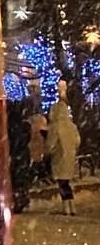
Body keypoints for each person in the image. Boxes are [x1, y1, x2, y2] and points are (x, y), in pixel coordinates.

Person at [48, 79, 82, 216]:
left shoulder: (56, 127)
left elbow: (51, 144)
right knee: (66, 181)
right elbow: (77, 140)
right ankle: (71, 205)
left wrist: (49, 151)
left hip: (59, 156)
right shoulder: (72, 126)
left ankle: (66, 207)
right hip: (70, 156)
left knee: (62, 183)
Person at [6, 98, 33, 213]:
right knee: (21, 177)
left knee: (16, 177)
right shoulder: (22, 124)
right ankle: (21, 198)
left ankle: (18, 199)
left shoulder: (10, 125)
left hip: (16, 154)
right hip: (22, 153)